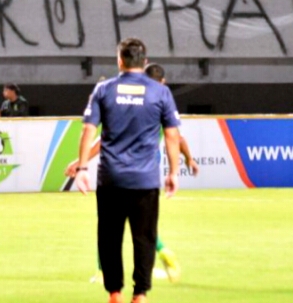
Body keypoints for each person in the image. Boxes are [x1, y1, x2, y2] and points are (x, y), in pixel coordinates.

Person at [66, 62, 196, 285]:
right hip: (145, 172)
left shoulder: (125, 98)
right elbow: (176, 137)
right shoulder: (159, 98)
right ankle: (150, 274)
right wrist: (186, 161)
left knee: (108, 225)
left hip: (117, 170)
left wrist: (82, 162)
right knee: (142, 226)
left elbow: (101, 136)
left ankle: (105, 274)